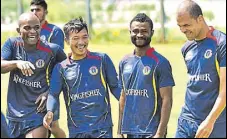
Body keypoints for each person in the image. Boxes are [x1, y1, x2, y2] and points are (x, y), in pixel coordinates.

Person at [43, 17, 121, 138]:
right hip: (77, 129)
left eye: (84, 37)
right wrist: (50, 111)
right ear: (67, 41)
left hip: (102, 128)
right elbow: (53, 94)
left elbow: (115, 86)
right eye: (75, 38)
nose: (81, 42)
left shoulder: (101, 59)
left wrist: (130, 102)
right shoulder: (61, 68)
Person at [1, 12, 66, 138]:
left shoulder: (52, 49)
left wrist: (49, 93)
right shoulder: (12, 44)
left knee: (53, 128)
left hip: (38, 112)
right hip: (15, 114)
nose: (33, 31)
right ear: (18, 30)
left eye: (36, 27)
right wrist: (17, 63)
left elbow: (68, 74)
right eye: (27, 28)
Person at [117, 13, 175, 138]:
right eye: (135, 31)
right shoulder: (124, 62)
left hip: (152, 132)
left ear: (152, 33)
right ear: (130, 32)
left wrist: (159, 133)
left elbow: (167, 100)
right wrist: (119, 131)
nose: (139, 35)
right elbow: (123, 97)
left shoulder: (161, 62)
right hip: (130, 131)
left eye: (144, 31)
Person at [175, 0, 226, 138]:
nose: (183, 30)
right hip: (186, 121)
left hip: (214, 124)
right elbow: (194, 82)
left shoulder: (221, 44)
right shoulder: (186, 48)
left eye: (186, 25)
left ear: (200, 19)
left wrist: (210, 121)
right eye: (180, 26)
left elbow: (224, 91)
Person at [30, 0, 66, 137]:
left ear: (45, 12)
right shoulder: (27, 30)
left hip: (49, 86)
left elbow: (59, 62)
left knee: (53, 126)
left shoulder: (54, 31)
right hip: (31, 87)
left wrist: (50, 91)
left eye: (38, 9)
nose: (34, 13)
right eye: (32, 10)